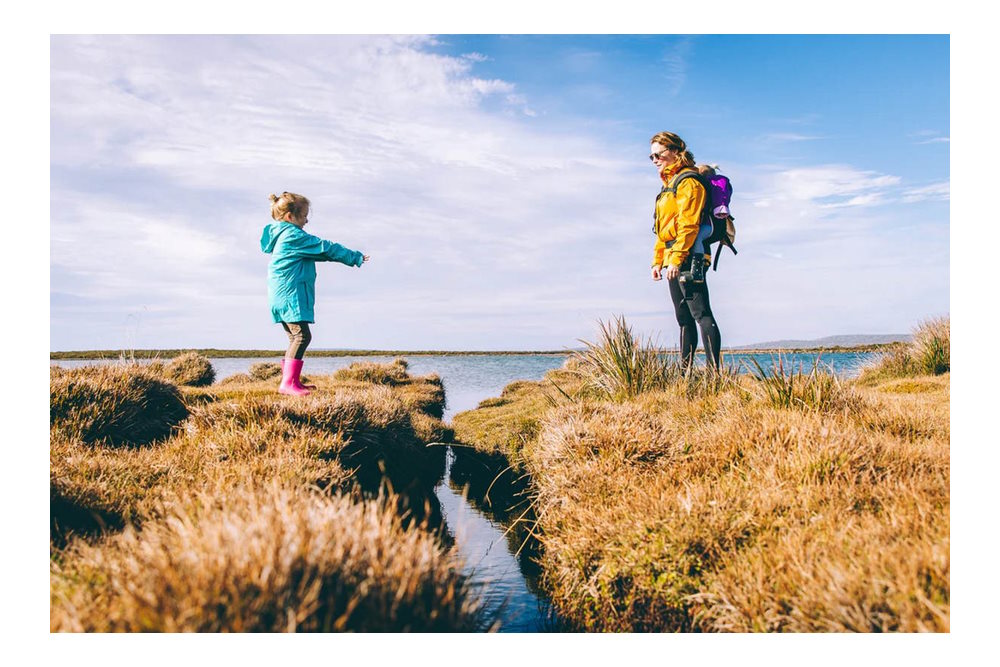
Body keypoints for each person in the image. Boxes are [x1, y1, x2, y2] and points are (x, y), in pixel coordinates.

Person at [260, 191, 369, 396]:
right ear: (290, 217)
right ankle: (288, 383)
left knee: (295, 337)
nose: (306, 220)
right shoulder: (293, 236)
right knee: (302, 336)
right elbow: (324, 248)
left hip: (281, 296)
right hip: (290, 295)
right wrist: (354, 257)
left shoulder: (282, 235)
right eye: (303, 216)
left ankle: (292, 382)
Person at [649, 132, 722, 370]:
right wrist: (657, 261)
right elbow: (663, 230)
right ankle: (684, 375)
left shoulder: (688, 182)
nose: (655, 160)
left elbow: (688, 225)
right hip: (673, 257)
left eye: (658, 154)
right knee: (683, 318)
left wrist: (677, 260)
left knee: (701, 313)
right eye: (651, 157)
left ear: (675, 151)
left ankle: (714, 376)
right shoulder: (667, 185)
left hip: (690, 254)